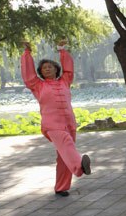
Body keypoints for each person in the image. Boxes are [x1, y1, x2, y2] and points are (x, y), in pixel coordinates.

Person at [20, 39, 91, 197]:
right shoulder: (37, 85)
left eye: (50, 67)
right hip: (52, 125)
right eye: (44, 68)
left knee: (63, 156)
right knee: (67, 146)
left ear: (56, 69)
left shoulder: (65, 81)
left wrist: (61, 50)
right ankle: (80, 167)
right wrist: (27, 53)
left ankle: (61, 187)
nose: (47, 69)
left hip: (69, 123)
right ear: (41, 72)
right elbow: (28, 75)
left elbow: (69, 70)